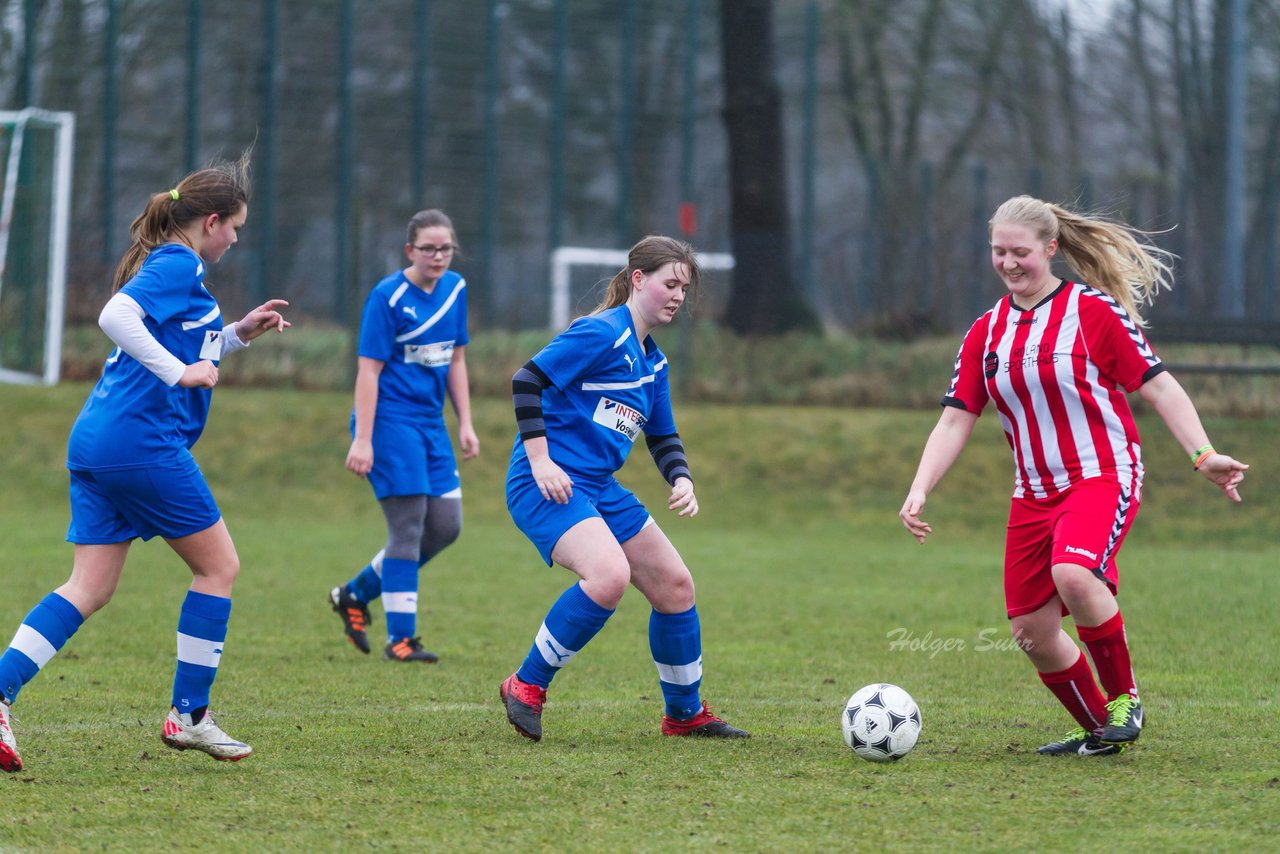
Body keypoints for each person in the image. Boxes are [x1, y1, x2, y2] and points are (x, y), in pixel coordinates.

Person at [899, 195, 1248, 757]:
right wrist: (920, 488)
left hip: (1102, 474)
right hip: (1033, 495)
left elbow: (1158, 384)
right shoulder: (986, 332)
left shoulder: (1092, 312)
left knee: (1075, 573)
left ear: (1051, 248)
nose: (1009, 263)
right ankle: (1099, 733)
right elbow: (954, 419)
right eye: (998, 252)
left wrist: (1203, 454)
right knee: (1032, 634)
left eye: (1021, 252)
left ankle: (1124, 698)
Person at [0, 155, 291, 772]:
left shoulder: (179, 271)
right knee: (220, 568)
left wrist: (238, 334)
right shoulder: (178, 262)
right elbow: (116, 318)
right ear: (211, 221)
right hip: (141, 443)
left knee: (89, 587)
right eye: (236, 226)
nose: (237, 238)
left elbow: (181, 339)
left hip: (99, 441)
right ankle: (188, 716)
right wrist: (179, 371)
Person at [497, 235, 748, 742]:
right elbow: (526, 381)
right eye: (670, 283)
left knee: (676, 586)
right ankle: (525, 686)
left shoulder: (653, 363)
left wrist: (682, 478)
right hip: (546, 482)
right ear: (638, 279)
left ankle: (684, 714)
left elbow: (662, 435)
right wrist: (541, 460)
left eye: (685, 288)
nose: (678, 295)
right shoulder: (599, 333)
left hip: (597, 487)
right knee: (608, 576)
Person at [328, 209, 478, 663]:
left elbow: (455, 360)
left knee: (446, 527)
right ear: (409, 250)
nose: (438, 256)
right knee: (408, 527)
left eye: (446, 248)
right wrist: (364, 439)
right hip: (390, 422)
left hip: (431, 425)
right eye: (428, 248)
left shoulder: (456, 289)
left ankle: (354, 594)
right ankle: (401, 639)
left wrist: (465, 422)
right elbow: (368, 372)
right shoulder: (387, 296)